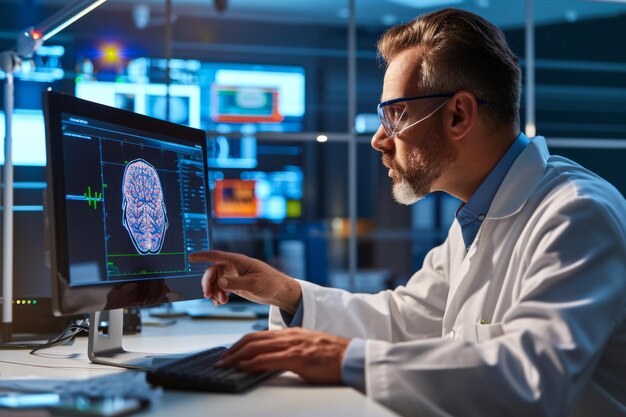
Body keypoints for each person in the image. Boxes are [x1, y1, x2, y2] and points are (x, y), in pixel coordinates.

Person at [190, 8, 626, 417]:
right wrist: (288, 294)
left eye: (395, 115)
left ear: (458, 115)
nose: (379, 139)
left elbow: (533, 376)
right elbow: (404, 322)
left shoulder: (576, 214)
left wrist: (343, 357)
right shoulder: (479, 217)